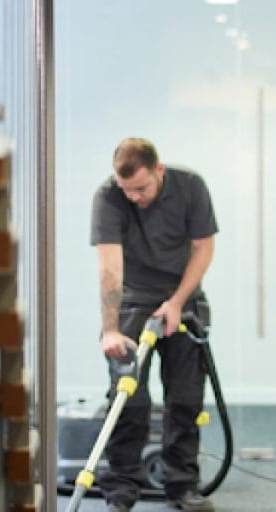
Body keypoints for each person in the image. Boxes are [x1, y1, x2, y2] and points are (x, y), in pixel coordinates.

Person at [91, 137, 218, 512]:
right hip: (132, 299)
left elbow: (203, 248)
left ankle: (181, 484)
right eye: (126, 189)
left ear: (158, 171)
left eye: (141, 188)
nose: (133, 197)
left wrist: (177, 303)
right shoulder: (108, 197)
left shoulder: (190, 187)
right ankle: (122, 488)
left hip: (184, 297)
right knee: (128, 397)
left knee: (185, 398)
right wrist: (111, 329)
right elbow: (110, 268)